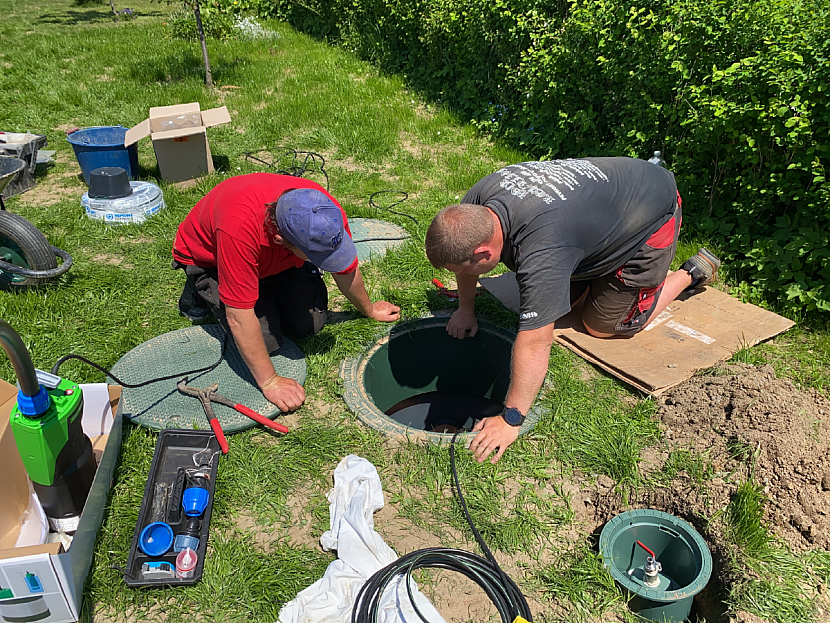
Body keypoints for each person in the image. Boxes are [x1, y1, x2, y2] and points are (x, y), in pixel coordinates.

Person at [425, 158, 720, 463]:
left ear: (483, 252)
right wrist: (465, 309)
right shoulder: (471, 211)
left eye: (463, 268)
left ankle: (690, 273)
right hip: (601, 212)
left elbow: (537, 341)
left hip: (650, 215)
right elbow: (469, 263)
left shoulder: (542, 249)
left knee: (604, 325)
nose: (463, 274)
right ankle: (600, 270)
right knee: (560, 303)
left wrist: (510, 420)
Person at [172, 173, 400, 412]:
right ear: (282, 240)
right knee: (266, 343)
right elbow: (239, 316)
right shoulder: (238, 230)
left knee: (308, 325)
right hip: (213, 258)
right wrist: (270, 381)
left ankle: (263, 287)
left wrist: (369, 309)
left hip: (276, 259)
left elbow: (346, 270)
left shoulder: (322, 211)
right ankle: (199, 288)